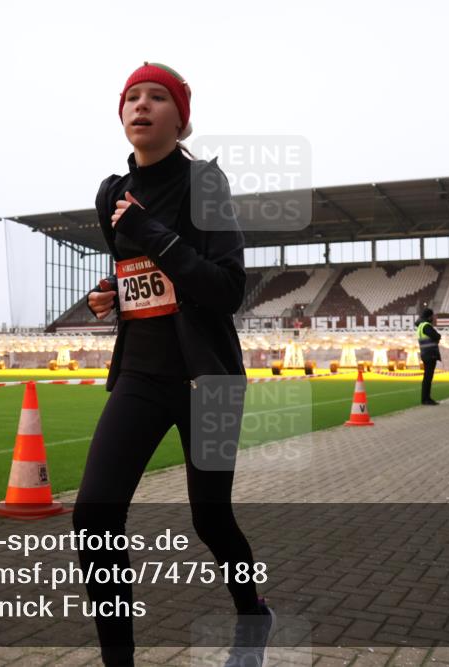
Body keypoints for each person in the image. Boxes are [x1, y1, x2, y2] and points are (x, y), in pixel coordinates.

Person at [80, 62, 273, 667]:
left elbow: (226, 289)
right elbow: (140, 273)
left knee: (210, 518)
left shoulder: (205, 185)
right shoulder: (111, 192)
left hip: (208, 379)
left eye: (158, 97)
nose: (142, 105)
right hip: (140, 373)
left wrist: (153, 234)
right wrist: (110, 289)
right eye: (131, 97)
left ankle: (252, 609)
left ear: (181, 117)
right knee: (93, 518)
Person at [415, 308, 441, 405]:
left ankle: (425, 398)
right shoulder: (426, 326)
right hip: (430, 354)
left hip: (425, 353)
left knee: (427, 377)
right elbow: (437, 336)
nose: (433, 318)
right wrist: (437, 337)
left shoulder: (421, 326)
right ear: (429, 316)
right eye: (432, 316)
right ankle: (426, 399)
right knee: (428, 378)